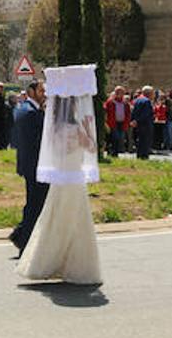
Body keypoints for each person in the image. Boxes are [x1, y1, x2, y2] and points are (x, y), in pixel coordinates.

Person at [18, 64, 102, 285]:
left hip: (60, 178)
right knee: (76, 222)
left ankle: (45, 261)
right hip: (74, 178)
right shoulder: (75, 128)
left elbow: (56, 151)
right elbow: (91, 149)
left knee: (53, 219)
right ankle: (73, 264)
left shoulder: (53, 126)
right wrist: (87, 128)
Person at [10, 79, 48, 258]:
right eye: (41, 91)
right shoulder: (31, 112)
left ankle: (20, 235)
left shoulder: (25, 109)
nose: (44, 94)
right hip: (35, 165)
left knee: (35, 203)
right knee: (35, 204)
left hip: (30, 164)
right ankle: (23, 239)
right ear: (31, 92)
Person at [104, 87, 130, 156]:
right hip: (113, 123)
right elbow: (106, 112)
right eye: (118, 92)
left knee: (120, 138)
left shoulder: (125, 103)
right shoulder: (110, 102)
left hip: (122, 123)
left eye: (122, 93)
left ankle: (116, 152)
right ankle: (112, 153)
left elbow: (128, 113)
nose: (120, 94)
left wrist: (127, 123)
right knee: (114, 137)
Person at [132, 86, 155, 159]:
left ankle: (139, 155)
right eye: (152, 93)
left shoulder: (137, 100)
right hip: (146, 124)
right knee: (145, 140)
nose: (153, 95)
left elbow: (133, 112)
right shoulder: (147, 101)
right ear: (149, 93)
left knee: (140, 140)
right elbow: (145, 114)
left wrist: (134, 120)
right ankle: (144, 156)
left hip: (138, 125)